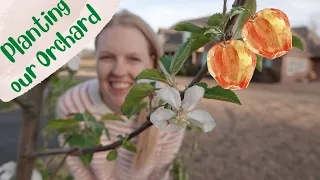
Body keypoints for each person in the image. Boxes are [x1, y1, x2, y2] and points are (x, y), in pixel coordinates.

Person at [55, 10, 185, 180]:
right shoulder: (72, 105)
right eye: (107, 57)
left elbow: (159, 175)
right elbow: (80, 172)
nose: (119, 71)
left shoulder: (170, 114)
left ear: (152, 63)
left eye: (133, 59)